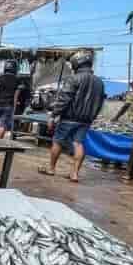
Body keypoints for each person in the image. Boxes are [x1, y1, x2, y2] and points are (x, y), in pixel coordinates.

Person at [39, 50, 105, 183]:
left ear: (76, 63)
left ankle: (51, 168)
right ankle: (74, 173)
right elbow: (99, 103)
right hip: (86, 120)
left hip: (69, 118)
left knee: (58, 141)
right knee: (78, 143)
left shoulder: (74, 79)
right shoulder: (99, 82)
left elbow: (64, 99)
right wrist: (92, 117)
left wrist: (54, 114)